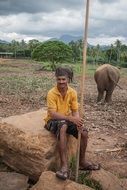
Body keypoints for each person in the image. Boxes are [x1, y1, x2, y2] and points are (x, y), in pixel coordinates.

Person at [44, 67, 100, 180]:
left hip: (67, 119)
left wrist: (78, 122)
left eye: (63, 79)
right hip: (52, 121)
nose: (61, 82)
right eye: (59, 79)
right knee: (63, 126)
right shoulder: (51, 93)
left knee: (83, 132)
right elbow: (53, 114)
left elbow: (75, 111)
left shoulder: (72, 92)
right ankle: (64, 167)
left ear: (68, 79)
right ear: (56, 79)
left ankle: (82, 161)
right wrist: (70, 118)